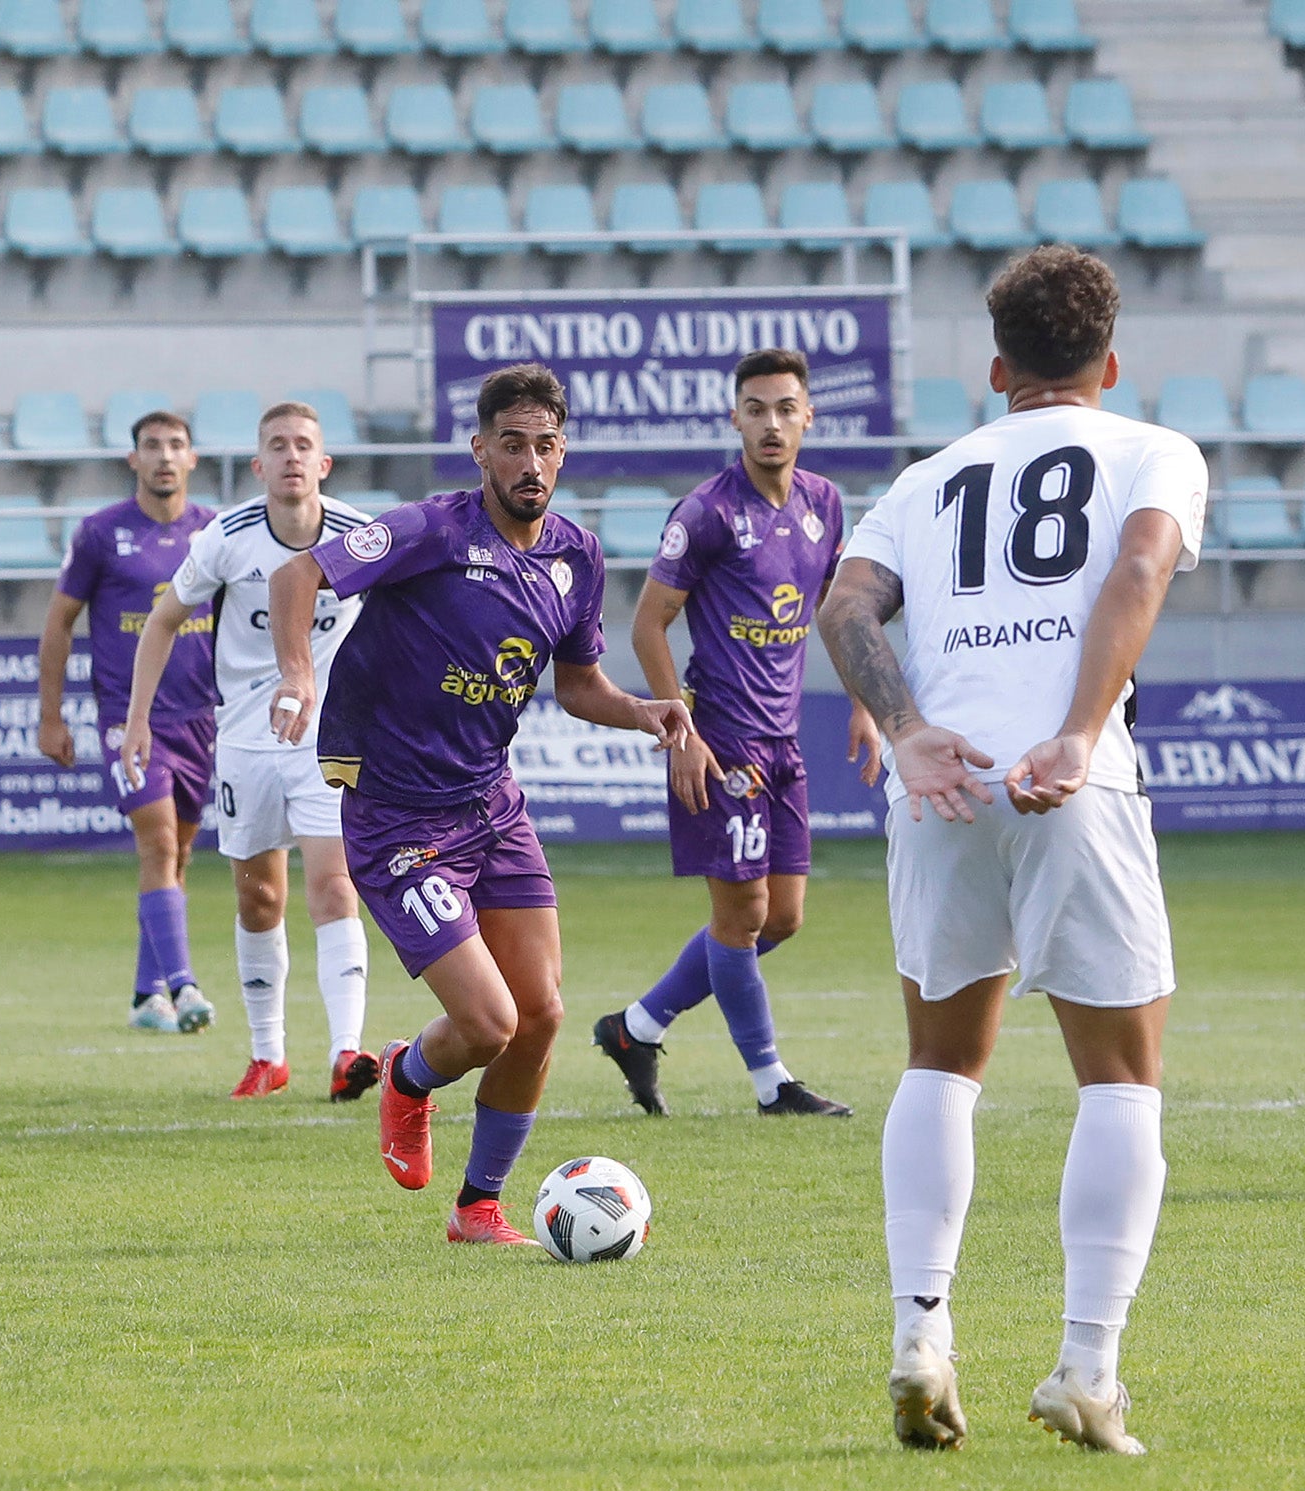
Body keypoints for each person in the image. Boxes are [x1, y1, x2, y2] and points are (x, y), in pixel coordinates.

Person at [816, 245, 1208, 1455]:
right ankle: (1088, 1367)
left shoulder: (929, 475)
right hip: (1066, 778)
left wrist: (909, 728)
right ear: (1112, 360)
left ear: (996, 368)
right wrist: (1082, 732)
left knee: (940, 1061)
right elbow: (1139, 566)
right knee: (1121, 1073)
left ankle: (919, 1332)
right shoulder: (1155, 450)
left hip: (941, 783)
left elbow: (843, 605)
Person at [266, 362, 693, 1245]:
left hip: (490, 806)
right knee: (489, 1023)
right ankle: (408, 1079)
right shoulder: (427, 531)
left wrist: (643, 711)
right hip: (395, 817)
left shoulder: (574, 556)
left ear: (562, 451)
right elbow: (298, 579)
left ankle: (478, 1209)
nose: (530, 463)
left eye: (545, 445)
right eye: (512, 446)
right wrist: (299, 674)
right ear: (481, 451)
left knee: (539, 1014)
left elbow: (578, 686)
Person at [593, 348, 881, 1118]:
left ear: (808, 414)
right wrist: (680, 730)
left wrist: (860, 702)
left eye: (786, 408)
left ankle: (637, 1026)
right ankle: (771, 1084)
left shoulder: (824, 503)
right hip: (724, 743)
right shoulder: (707, 513)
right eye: (756, 409)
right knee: (742, 916)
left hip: (783, 743)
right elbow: (649, 625)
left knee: (779, 919)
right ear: (736, 418)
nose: (772, 423)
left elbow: (831, 612)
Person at [121, 401, 376, 1103]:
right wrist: (137, 719)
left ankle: (346, 1051)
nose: (291, 456)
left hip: (331, 736)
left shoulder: (360, 536)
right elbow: (164, 621)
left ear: (323, 464)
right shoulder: (226, 537)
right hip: (243, 736)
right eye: (277, 446)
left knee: (334, 885)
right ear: (259, 466)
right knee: (259, 896)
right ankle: (269, 1055)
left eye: (304, 446)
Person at [38, 410, 217, 1034]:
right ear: (132, 460)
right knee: (159, 843)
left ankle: (146, 996)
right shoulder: (99, 533)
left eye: (176, 446)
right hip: (128, 718)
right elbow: (58, 623)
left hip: (200, 719)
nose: (165, 456)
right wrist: (50, 716)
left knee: (180, 854)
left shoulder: (215, 533)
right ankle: (185, 985)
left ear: (192, 459)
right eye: (151, 446)